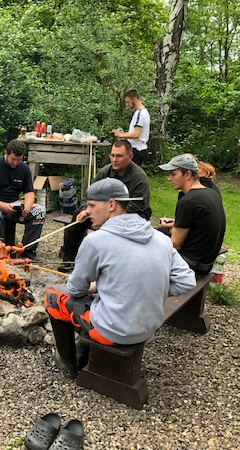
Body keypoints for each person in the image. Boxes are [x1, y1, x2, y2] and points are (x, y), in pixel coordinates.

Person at [45, 179, 196, 378]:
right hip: (149, 326)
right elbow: (187, 281)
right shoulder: (161, 238)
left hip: (115, 331)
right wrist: (149, 289)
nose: (87, 211)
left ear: (111, 204)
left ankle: (68, 364)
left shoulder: (96, 241)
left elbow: (75, 289)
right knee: (97, 298)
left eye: (91, 205)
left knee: (53, 295)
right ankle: (83, 350)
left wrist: (96, 286)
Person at [59, 139, 151, 271]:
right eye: (112, 155)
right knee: (77, 219)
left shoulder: (139, 177)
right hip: (104, 213)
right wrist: (85, 210)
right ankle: (69, 261)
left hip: (131, 218)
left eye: (119, 156)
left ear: (130, 156)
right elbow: (88, 196)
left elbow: (136, 207)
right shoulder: (104, 172)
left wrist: (105, 222)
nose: (114, 160)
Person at [158, 154, 226, 276]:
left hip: (190, 266)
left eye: (173, 174)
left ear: (188, 174)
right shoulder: (211, 193)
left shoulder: (189, 201)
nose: (169, 178)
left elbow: (175, 244)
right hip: (206, 263)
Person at [0, 139, 45, 260]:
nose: (15, 163)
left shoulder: (24, 169)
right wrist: (1, 205)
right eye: (13, 159)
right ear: (6, 153)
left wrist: (28, 205)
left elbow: (29, 192)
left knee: (39, 212)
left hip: (14, 204)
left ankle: (27, 250)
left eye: (18, 160)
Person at [112, 89, 150, 166]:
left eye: (128, 102)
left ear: (134, 99)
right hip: (138, 148)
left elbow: (136, 134)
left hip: (137, 149)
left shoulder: (140, 114)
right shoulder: (142, 112)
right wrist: (123, 134)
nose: (127, 104)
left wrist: (120, 135)